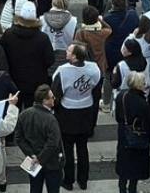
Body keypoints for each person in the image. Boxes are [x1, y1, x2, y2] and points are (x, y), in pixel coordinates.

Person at [51, 43, 102, 190]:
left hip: (67, 113)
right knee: (82, 148)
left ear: (74, 56)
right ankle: (83, 180)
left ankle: (68, 180)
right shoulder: (93, 68)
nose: (66, 52)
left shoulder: (63, 71)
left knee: (67, 149)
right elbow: (96, 89)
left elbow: (56, 93)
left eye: (69, 50)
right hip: (86, 110)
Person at [1, 2, 55, 110]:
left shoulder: (8, 35)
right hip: (36, 83)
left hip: (14, 81)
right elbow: (50, 60)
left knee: (14, 112)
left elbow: (3, 57)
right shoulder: (42, 38)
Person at [16, 84, 64, 193]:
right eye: (52, 97)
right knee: (53, 189)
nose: (54, 99)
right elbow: (53, 143)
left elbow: (18, 138)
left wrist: (32, 155)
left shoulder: (24, 115)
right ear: (44, 100)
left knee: (34, 188)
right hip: (51, 162)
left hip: (32, 161)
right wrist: (40, 158)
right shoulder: (50, 119)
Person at [114, 70, 150, 193]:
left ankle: (121, 188)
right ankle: (132, 189)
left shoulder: (121, 96)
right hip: (138, 137)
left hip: (124, 134)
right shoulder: (143, 103)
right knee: (135, 167)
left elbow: (118, 117)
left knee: (123, 164)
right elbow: (148, 124)